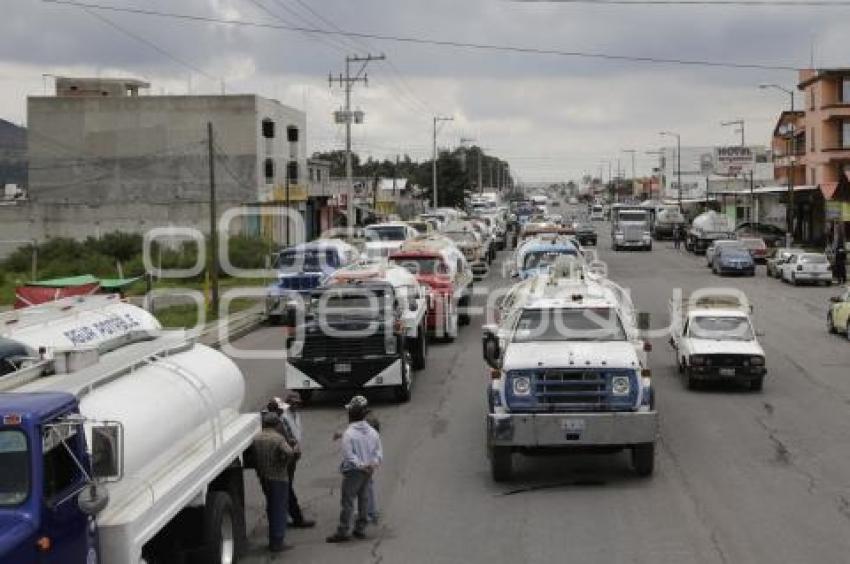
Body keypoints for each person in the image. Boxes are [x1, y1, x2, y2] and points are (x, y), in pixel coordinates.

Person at [326, 395, 383, 543]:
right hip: (368, 471)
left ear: (351, 414)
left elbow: (349, 456)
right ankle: (360, 529)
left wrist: (360, 465)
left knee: (348, 502)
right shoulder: (372, 432)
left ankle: (343, 531)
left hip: (353, 473)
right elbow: (378, 453)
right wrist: (372, 464)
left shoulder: (349, 434)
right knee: (364, 500)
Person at [253, 412, 294, 553]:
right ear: (277, 424)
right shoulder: (278, 439)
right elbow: (289, 452)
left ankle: (272, 539)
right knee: (279, 509)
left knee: (271, 507)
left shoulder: (257, 438)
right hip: (278, 477)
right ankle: (277, 542)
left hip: (264, 476)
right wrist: (284, 462)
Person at [273, 393, 316, 529]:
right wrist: (293, 448)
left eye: (298, 403)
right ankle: (292, 517)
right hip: (287, 455)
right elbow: (287, 437)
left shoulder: (296, 415)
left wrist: (298, 447)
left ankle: (289, 516)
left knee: (288, 485)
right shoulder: (284, 417)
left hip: (293, 454)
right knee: (286, 487)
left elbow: (296, 433)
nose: (296, 405)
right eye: (293, 403)